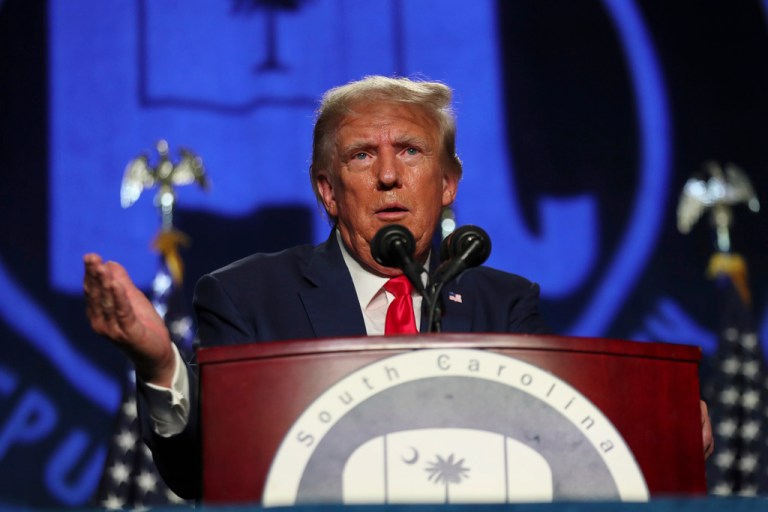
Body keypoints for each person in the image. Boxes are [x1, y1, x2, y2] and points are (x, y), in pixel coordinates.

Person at [83, 75, 712, 500]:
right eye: (362, 156)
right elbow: (202, 476)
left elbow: (552, 447)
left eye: (410, 151)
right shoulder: (249, 295)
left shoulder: (503, 302)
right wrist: (160, 362)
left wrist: (657, 432)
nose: (388, 175)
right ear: (327, 191)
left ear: (447, 185)